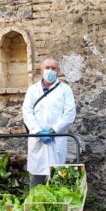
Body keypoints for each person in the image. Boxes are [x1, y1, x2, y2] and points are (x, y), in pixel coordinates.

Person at [22, 57, 77, 187]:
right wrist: (38, 131)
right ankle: (35, 207)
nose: (50, 71)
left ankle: (57, 207)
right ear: (41, 70)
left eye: (53, 68)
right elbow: (27, 112)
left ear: (58, 70)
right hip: (37, 140)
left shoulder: (65, 90)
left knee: (57, 179)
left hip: (56, 139)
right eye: (47, 68)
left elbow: (69, 114)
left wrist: (53, 131)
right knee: (36, 180)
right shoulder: (32, 90)